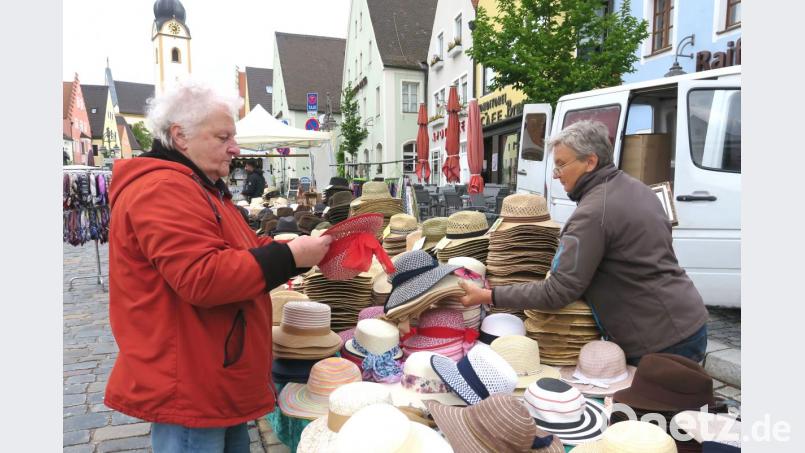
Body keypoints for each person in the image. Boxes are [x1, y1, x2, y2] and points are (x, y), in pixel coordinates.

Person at [105, 79, 333, 453]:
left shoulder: (198, 185)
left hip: (212, 374)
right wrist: (290, 256)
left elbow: (240, 247)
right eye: (223, 136)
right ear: (180, 137)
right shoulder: (164, 189)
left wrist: (296, 253)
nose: (235, 147)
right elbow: (203, 277)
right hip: (192, 382)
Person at [460, 120, 709, 366]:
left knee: (657, 405)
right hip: (688, 319)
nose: (556, 175)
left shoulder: (592, 213)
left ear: (590, 161)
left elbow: (558, 291)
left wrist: (488, 294)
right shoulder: (639, 189)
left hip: (656, 340)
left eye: (561, 165)